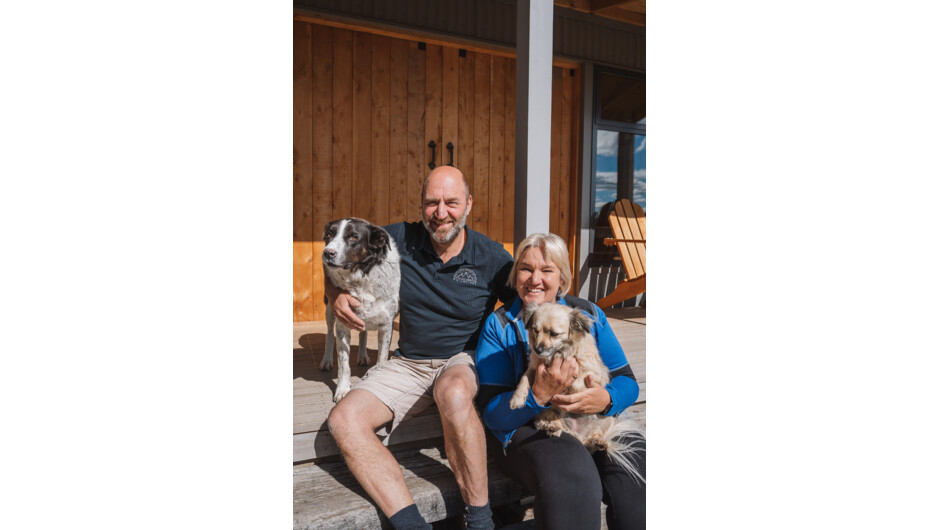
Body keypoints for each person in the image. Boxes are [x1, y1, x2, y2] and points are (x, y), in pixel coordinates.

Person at [326, 165, 514, 530]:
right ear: (421, 205)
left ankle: (480, 521)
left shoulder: (492, 257)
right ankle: (412, 525)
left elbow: (528, 300)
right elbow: (337, 251)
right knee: (343, 420)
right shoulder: (397, 239)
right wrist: (334, 293)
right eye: (432, 202)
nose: (440, 212)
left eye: (451, 202)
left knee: (454, 392)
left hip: (461, 359)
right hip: (408, 363)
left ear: (469, 204)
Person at [475, 233, 646, 530]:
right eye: (526, 269)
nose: (535, 279)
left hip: (597, 420)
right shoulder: (499, 325)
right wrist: (537, 395)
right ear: (515, 276)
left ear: (562, 278)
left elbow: (627, 382)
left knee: (638, 473)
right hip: (527, 427)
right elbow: (492, 413)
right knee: (573, 476)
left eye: (547, 270)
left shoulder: (587, 315)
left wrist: (606, 399)